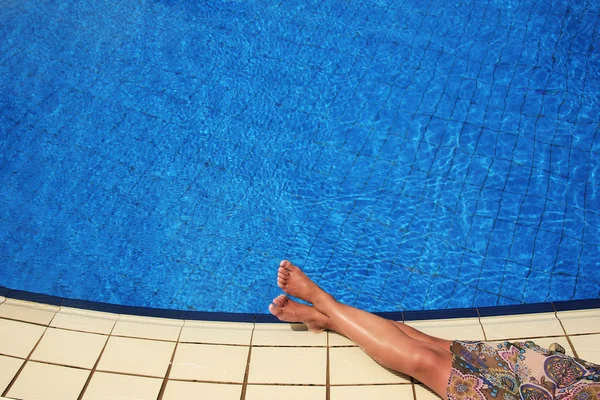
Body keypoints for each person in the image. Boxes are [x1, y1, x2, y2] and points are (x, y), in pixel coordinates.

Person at [269, 260, 600, 400]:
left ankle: (324, 304)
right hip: (578, 383)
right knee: (439, 345)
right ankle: (326, 319)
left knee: (426, 359)